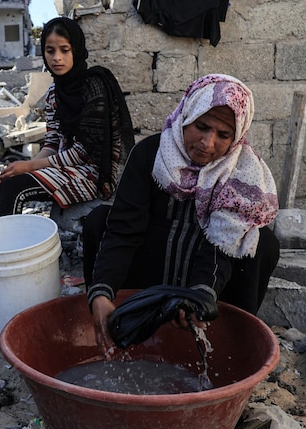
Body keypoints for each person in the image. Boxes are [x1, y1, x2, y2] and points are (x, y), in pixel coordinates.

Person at [83, 74, 280, 355]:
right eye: (201, 127)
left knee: (263, 243)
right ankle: (113, 322)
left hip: (204, 277)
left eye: (223, 135)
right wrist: (101, 292)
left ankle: (232, 341)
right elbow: (124, 230)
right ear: (187, 114)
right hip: (147, 276)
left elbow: (220, 246)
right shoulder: (150, 155)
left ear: (236, 138)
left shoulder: (240, 175)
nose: (207, 143)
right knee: (98, 221)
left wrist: (199, 296)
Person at [0, 17, 134, 216]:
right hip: (63, 167)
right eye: (50, 51)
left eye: (64, 50)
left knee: (14, 189)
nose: (57, 57)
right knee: (1, 183)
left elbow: (84, 152)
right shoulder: (53, 93)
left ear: (76, 49)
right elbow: (51, 143)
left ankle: (13, 246)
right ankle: (12, 244)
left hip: (93, 173)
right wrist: (23, 168)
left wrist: (30, 165)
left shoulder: (93, 87)